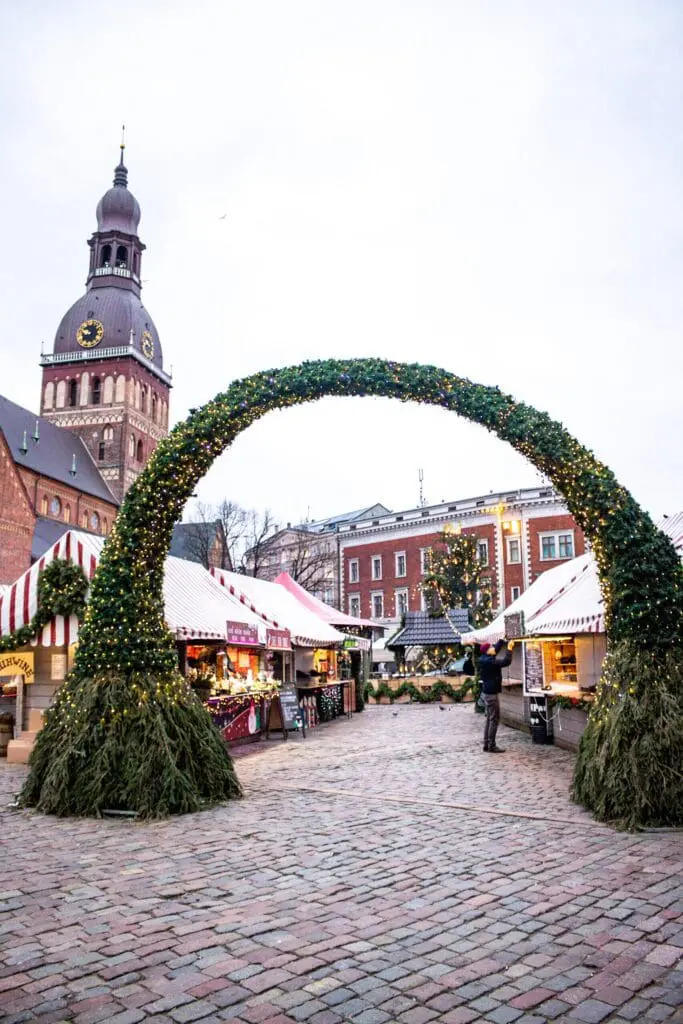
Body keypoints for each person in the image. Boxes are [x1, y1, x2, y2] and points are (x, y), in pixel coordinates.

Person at [478, 639, 514, 753]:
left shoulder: (485, 659)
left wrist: (501, 640)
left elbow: (495, 649)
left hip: (488, 693)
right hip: (492, 695)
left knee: (489, 719)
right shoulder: (490, 662)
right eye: (491, 648)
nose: (494, 648)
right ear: (487, 652)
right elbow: (506, 661)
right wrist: (509, 648)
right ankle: (492, 745)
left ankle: (486, 744)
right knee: (494, 719)